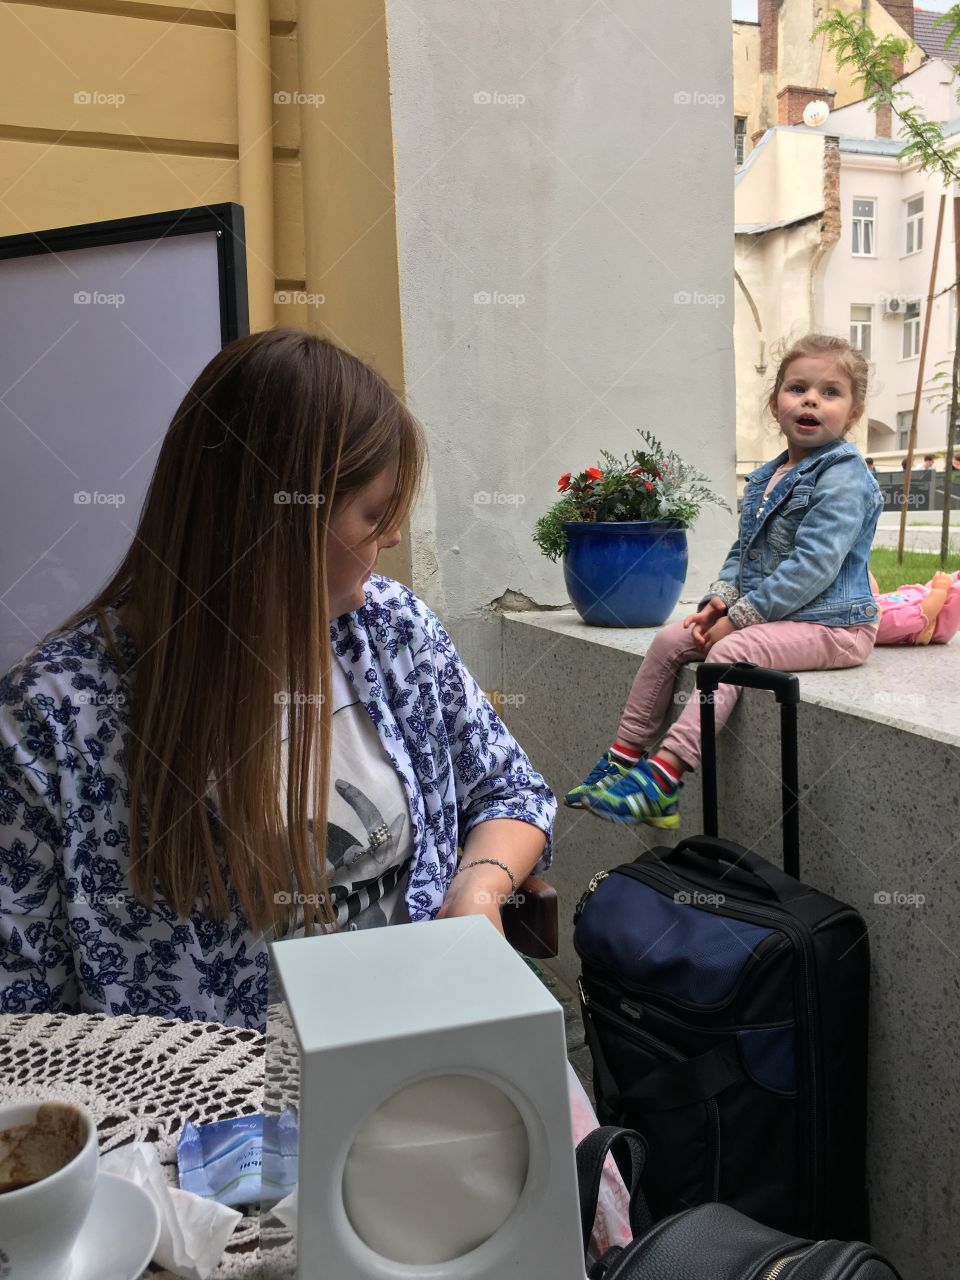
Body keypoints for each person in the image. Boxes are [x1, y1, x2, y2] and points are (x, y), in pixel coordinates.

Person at [0, 331, 555, 1028]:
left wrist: (478, 889)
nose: (390, 540)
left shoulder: (393, 633)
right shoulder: (52, 722)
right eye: (374, 514)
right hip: (200, 1117)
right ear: (280, 521)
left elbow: (510, 788)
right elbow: (21, 1020)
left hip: (418, 1051)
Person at [565, 333, 883, 828]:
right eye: (797, 388)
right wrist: (719, 602)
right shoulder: (768, 477)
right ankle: (622, 760)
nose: (811, 400)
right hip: (779, 618)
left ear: (854, 411)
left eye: (830, 392)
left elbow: (814, 567)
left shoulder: (842, 476)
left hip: (834, 628)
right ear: (774, 402)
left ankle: (664, 779)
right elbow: (743, 555)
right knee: (673, 638)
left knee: (729, 653)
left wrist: (738, 622)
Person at [871, 570, 960, 646]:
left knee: (948, 579)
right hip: (937, 618)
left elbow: (872, 588)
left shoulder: (869, 601)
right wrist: (940, 590)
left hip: (926, 594)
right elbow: (923, 615)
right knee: (957, 593)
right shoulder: (883, 624)